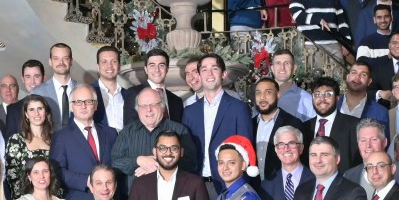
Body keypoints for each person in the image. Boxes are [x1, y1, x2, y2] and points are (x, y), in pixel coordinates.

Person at [182, 53, 253, 187]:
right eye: (204, 70)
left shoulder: (239, 108)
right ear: (200, 75)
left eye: (214, 68)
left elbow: (246, 150)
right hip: (196, 184)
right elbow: (186, 152)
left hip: (228, 184)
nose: (209, 73)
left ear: (224, 74)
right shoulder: (189, 112)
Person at [112, 86, 197, 186]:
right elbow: (115, 163)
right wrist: (138, 161)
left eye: (153, 105)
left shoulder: (179, 130)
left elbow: (191, 163)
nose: (148, 110)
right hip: (135, 198)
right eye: (143, 106)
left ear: (162, 106)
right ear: (137, 109)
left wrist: (158, 165)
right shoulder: (126, 132)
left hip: (170, 194)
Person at [51, 84, 116, 200]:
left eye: (88, 101)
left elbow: (117, 164)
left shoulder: (111, 133)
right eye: (78, 102)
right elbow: (57, 171)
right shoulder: (61, 137)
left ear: (96, 105)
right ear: (71, 106)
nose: (83, 106)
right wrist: (87, 181)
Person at [301, 76, 362, 171]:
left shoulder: (354, 125)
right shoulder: (304, 127)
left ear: (337, 98)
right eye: (317, 95)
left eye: (328, 94)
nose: (322, 99)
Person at [4, 94, 58, 200]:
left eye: (40, 108)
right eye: (32, 109)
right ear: (26, 114)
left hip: (54, 199)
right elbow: (13, 177)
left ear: (46, 112)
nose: (36, 113)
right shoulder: (16, 140)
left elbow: (58, 174)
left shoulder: (56, 140)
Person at [252, 76, 303, 180]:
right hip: (254, 188)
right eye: (258, 93)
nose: (262, 97)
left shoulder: (293, 123)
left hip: (282, 187)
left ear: (278, 95)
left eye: (268, 92)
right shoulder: (249, 124)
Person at [122, 49, 185, 124]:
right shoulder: (133, 94)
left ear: (167, 69)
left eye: (161, 65)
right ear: (146, 69)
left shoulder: (176, 101)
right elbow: (129, 129)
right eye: (152, 65)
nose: (157, 70)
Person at [32, 42, 80, 129]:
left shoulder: (82, 90)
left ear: (71, 61)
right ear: (50, 62)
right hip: (49, 141)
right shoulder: (37, 92)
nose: (61, 62)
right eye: (56, 58)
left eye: (65, 58)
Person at [270, 49, 312, 122]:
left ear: (294, 68)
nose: (282, 67)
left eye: (287, 63)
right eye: (278, 63)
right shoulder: (263, 97)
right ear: (272, 68)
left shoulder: (306, 99)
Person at [94, 45, 128, 131]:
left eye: (114, 61)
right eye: (104, 62)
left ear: (119, 66)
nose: (109, 66)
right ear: (98, 67)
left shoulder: (129, 95)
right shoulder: (88, 92)